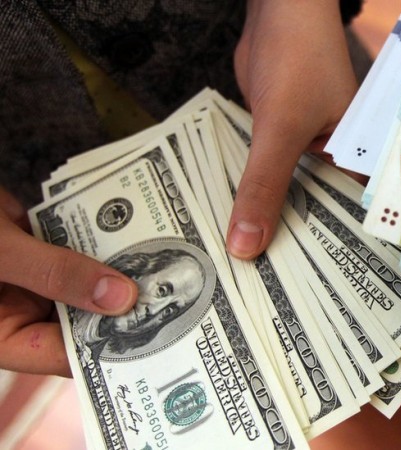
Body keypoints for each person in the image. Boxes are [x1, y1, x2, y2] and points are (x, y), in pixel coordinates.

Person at [0, 0, 367, 376]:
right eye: (170, 302)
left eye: (165, 292)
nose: (156, 311)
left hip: (293, 82)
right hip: (32, 183)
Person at [71, 247, 211, 360]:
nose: (154, 311)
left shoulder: (91, 357)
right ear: (139, 272)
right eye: (161, 291)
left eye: (169, 311)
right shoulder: (72, 296)